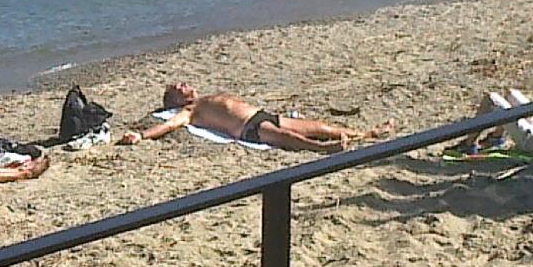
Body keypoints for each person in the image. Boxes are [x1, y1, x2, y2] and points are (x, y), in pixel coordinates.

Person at [120, 84, 375, 154]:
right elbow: (168, 125)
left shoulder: (206, 98)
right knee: (287, 138)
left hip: (262, 115)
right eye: (180, 88)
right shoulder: (189, 113)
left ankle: (365, 135)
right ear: (175, 101)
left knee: (319, 126)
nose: (186, 86)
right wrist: (141, 135)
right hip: (247, 128)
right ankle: (322, 149)